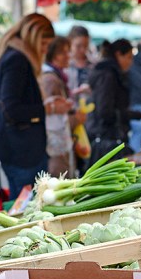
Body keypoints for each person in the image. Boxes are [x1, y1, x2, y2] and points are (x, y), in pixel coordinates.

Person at [0, 13, 55, 200]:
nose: (44, 50)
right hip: (22, 152)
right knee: (28, 210)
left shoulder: (9, 55)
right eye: (44, 44)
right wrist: (44, 110)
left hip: (18, 149)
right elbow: (11, 108)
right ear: (33, 38)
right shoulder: (17, 59)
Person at [87, 39, 141, 165]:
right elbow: (105, 111)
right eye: (129, 57)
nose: (130, 62)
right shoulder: (108, 75)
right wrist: (132, 115)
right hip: (108, 136)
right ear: (118, 54)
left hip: (109, 134)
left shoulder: (110, 72)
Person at [41, 36, 87, 177]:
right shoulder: (51, 79)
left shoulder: (57, 76)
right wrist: (76, 119)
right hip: (56, 148)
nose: (68, 56)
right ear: (53, 55)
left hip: (59, 146)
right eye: (63, 53)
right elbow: (52, 119)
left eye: (68, 51)